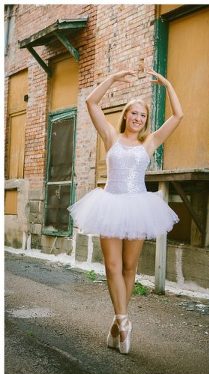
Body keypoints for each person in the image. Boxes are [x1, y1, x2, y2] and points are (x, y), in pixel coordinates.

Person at [68, 68, 184, 354]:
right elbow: (91, 103)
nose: (137, 118)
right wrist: (114, 78)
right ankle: (124, 321)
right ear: (126, 115)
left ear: (146, 120)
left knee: (130, 268)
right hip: (109, 204)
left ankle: (117, 323)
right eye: (133, 113)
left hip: (138, 206)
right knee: (112, 267)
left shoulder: (150, 142)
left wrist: (168, 84)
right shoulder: (110, 136)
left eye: (142, 115)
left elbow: (178, 116)